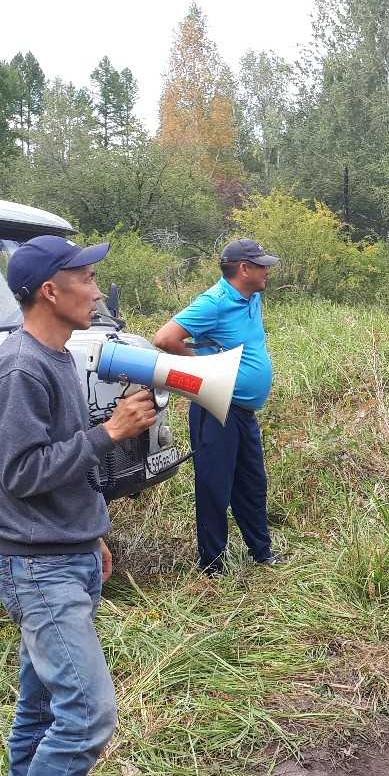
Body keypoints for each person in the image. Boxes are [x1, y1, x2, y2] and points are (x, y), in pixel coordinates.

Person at [0, 235, 158, 776]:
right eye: (85, 278)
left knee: (41, 705)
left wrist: (93, 532)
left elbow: (62, 461)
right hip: (37, 569)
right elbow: (21, 473)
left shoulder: (54, 359)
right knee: (86, 715)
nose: (96, 289)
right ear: (50, 291)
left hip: (67, 555)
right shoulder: (20, 370)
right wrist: (108, 434)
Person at [153, 239, 280, 574]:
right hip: (216, 408)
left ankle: (262, 552)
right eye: (262, 265)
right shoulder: (215, 301)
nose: (268, 270)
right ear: (244, 269)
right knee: (214, 486)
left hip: (243, 411)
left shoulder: (252, 297)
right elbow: (165, 338)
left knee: (252, 481)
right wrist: (202, 368)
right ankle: (212, 565)